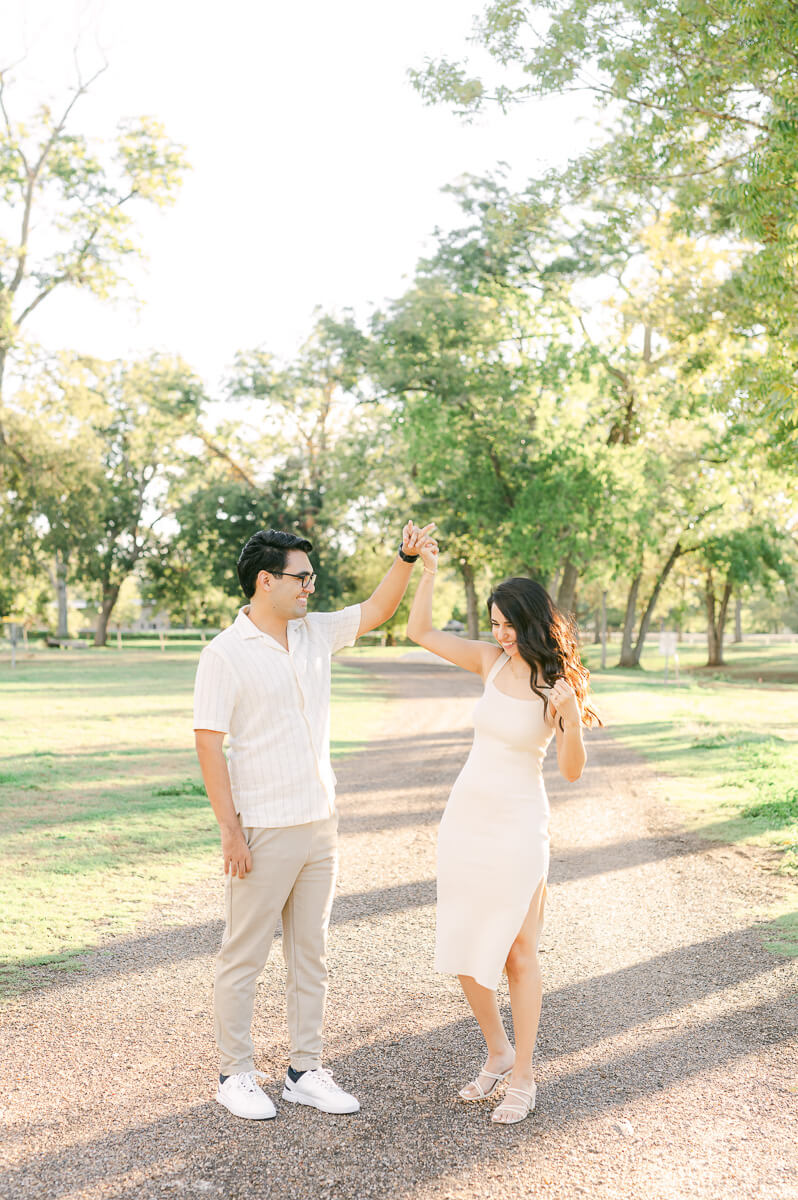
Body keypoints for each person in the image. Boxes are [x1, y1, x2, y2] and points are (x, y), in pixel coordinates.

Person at [193, 521, 434, 1120]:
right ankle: (235, 1074)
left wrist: (405, 558)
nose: (310, 587)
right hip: (264, 828)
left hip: (320, 822)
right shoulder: (224, 653)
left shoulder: (314, 632)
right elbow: (208, 743)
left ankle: (304, 1069)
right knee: (243, 953)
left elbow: (378, 608)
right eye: (301, 578)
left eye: (311, 578)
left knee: (311, 953)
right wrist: (231, 831)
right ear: (265, 581)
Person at [407, 540, 599, 1125]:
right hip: (466, 817)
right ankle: (497, 1051)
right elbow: (420, 631)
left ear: (533, 621)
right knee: (464, 944)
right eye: (493, 624)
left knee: (518, 952)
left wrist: (568, 719)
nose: (501, 634)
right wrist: (429, 570)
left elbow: (571, 770)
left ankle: (524, 1076)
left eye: (508, 624)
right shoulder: (489, 662)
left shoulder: (557, 681)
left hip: (520, 824)